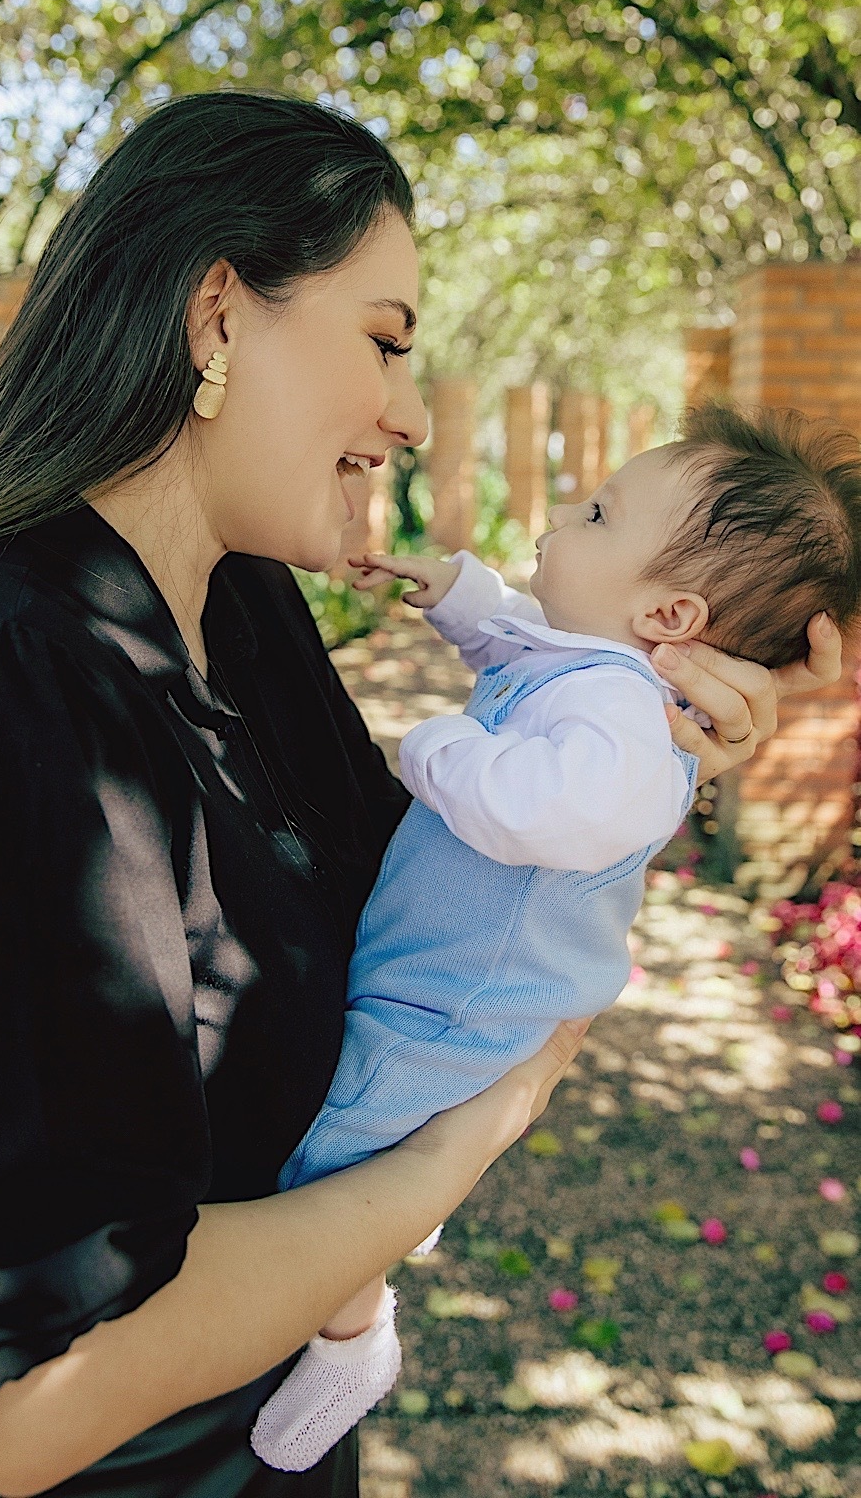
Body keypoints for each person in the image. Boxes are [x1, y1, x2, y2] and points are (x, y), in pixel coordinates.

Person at [0, 93, 839, 1498]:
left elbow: (436, 913)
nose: (408, 417)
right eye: (385, 341)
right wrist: (460, 1147)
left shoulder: (241, 610)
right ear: (217, 318)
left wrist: (633, 767)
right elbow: (10, 1413)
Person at [251, 404, 861, 1473]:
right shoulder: (598, 664)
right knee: (356, 1123)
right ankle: (382, 1217)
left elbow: (553, 813)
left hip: (467, 1000)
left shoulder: (626, 716)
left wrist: (438, 749)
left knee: (326, 1152)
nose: (551, 527)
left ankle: (349, 1326)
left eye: (592, 515)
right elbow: (518, 639)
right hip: (441, 975)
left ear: (668, 613)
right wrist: (451, 592)